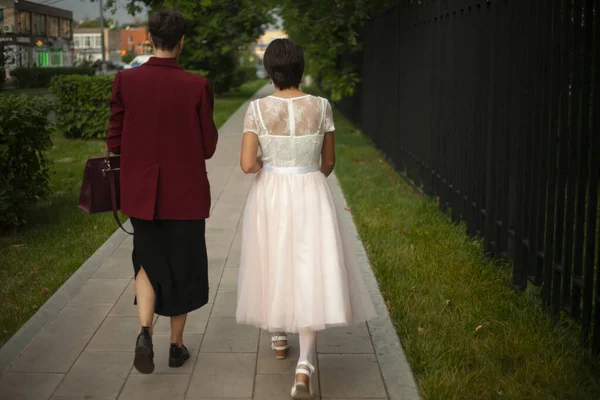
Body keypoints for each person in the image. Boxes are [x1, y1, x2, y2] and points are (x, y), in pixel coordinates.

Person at [236, 38, 376, 399]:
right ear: (300, 68)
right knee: (309, 266)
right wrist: (306, 177)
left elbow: (248, 164)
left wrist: (273, 167)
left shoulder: (258, 110)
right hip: (311, 189)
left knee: (275, 259)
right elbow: (328, 163)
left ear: (270, 71)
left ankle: (279, 335)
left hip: (271, 192)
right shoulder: (322, 107)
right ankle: (304, 365)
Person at [106, 9, 218, 374]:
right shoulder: (198, 86)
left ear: (149, 40)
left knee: (147, 260)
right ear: (182, 42)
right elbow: (208, 146)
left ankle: (143, 333)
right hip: (185, 193)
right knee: (182, 266)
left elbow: (114, 139)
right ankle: (175, 346)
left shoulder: (125, 81)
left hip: (142, 193)